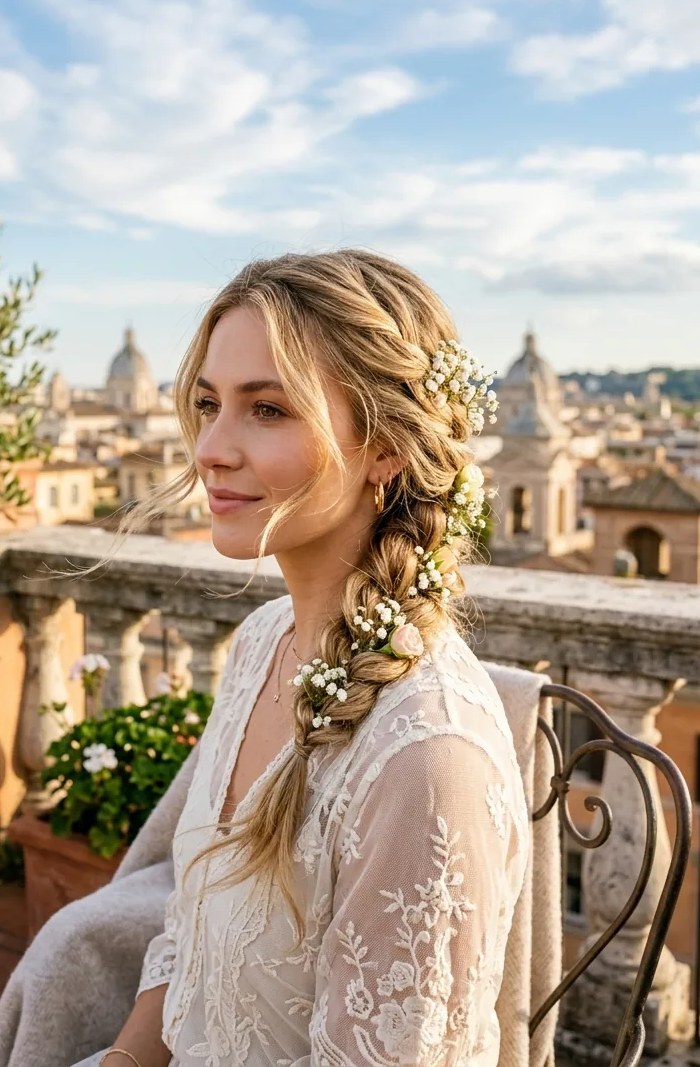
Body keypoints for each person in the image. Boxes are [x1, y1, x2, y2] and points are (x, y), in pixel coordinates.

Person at [92, 249, 525, 1067]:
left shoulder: (428, 763)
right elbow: (196, 933)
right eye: (209, 404)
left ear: (387, 446)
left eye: (268, 410)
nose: (210, 449)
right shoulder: (262, 643)